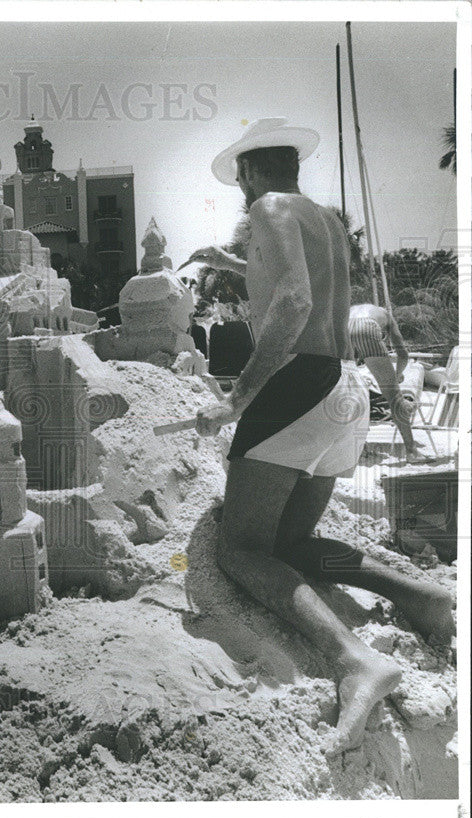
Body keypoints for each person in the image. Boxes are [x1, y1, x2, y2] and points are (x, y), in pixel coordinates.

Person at [186, 118, 453, 756]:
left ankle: (353, 659)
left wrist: (236, 399)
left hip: (295, 387)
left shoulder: (269, 207)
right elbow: (309, 284)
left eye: (240, 181)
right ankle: (417, 593)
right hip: (345, 389)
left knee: (241, 551)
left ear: (250, 173)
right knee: (292, 543)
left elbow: (294, 304)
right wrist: (221, 259)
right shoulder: (325, 221)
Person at [348, 303, 428, 463]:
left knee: (349, 393)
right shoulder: (386, 316)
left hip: (344, 326)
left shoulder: (354, 309)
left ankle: (357, 448)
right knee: (395, 398)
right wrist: (397, 375)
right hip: (367, 328)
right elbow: (403, 355)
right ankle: (412, 452)